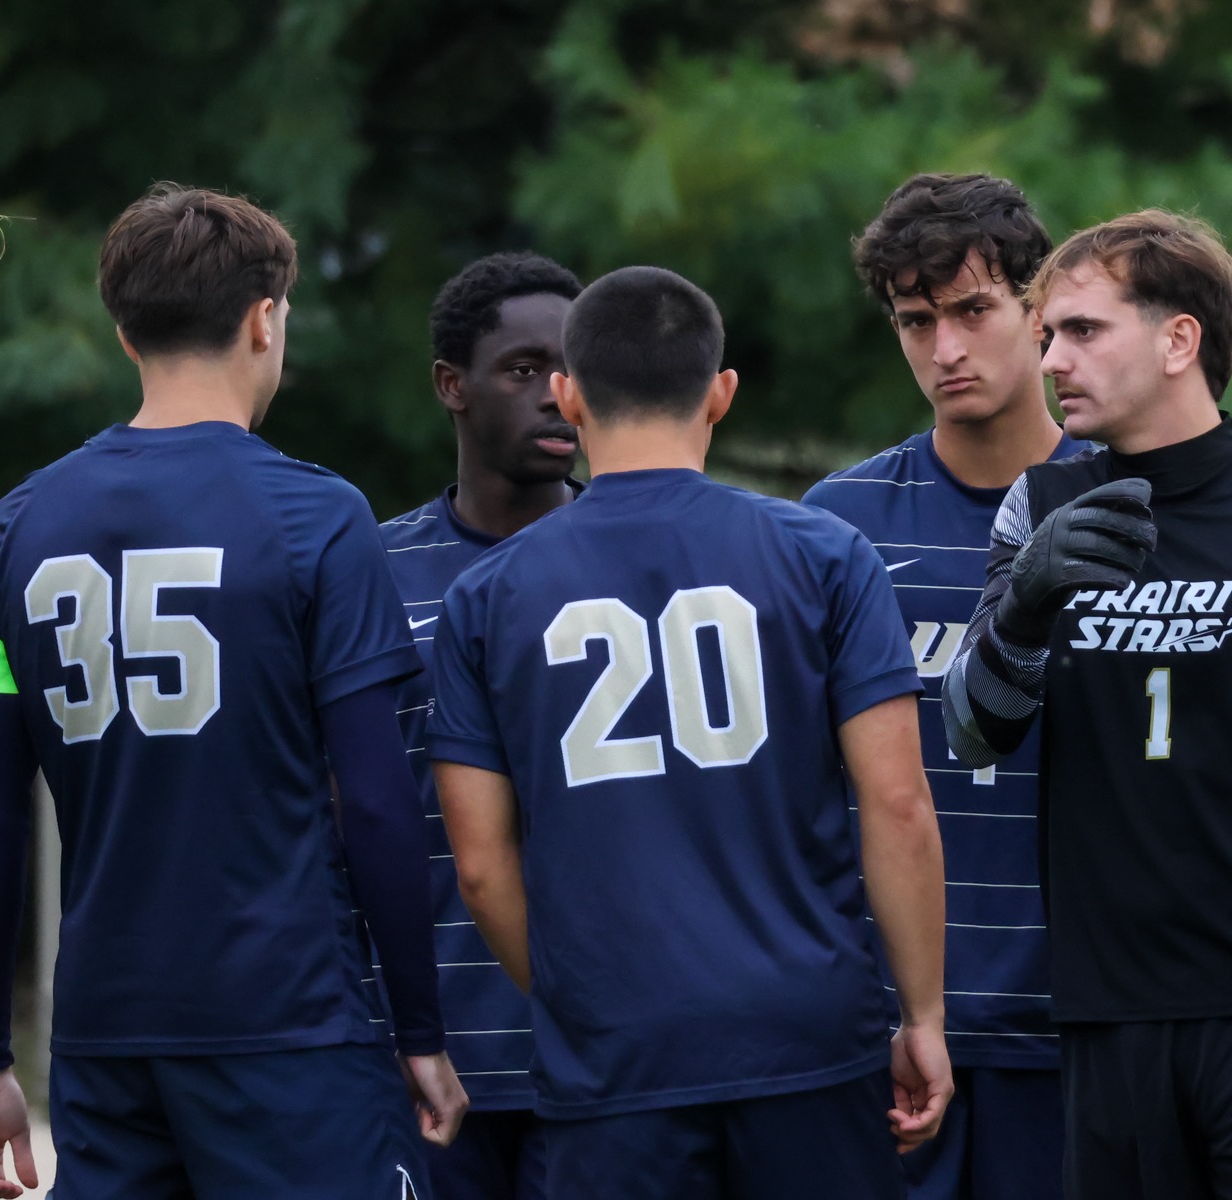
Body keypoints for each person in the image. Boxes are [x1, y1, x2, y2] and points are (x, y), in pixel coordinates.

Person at [0, 184, 466, 1200]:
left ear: (123, 333)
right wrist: (418, 1025)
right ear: (264, 318)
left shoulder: (14, 527)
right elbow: (376, 798)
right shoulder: (319, 516)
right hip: (286, 1018)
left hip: (107, 1031)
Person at [429, 265, 952, 1198]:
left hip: (617, 1052)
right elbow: (898, 801)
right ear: (721, 394)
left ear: (569, 394)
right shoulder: (825, 554)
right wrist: (922, 1015)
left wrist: (573, 1000)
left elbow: (479, 863)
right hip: (805, 1033)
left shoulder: (487, 594)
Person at [942, 209, 1232, 1199]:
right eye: (1046, 339)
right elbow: (970, 727)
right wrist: (1024, 606)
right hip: (1104, 1004)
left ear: (1179, 340)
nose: (1052, 364)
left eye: (1082, 331)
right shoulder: (1041, 503)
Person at [804, 172, 1083, 1200]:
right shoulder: (838, 525)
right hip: (884, 1033)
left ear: (1040, 309)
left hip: (1080, 1022)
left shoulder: (1127, 506)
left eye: (973, 310)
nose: (946, 349)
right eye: (916, 321)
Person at [381, 251, 584, 1199]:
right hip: (427, 1056)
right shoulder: (368, 574)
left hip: (599, 1050)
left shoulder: (637, 561)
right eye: (522, 369)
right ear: (451, 386)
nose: (555, 395)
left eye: (571, 369)